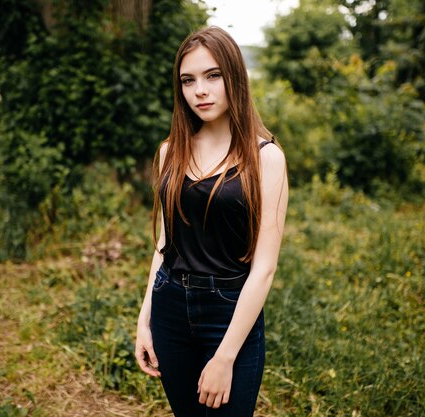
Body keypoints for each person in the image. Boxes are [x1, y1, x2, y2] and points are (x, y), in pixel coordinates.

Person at [135, 26, 288, 417]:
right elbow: (166, 243)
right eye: (188, 80)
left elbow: (264, 268)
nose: (199, 90)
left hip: (230, 310)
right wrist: (145, 318)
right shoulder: (171, 150)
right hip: (170, 306)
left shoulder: (265, 158)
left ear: (234, 77)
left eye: (212, 75)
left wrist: (224, 358)